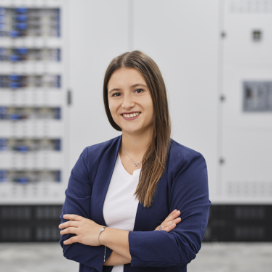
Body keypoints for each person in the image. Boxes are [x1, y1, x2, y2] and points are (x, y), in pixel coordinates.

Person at [58, 50, 211, 272]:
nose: (127, 103)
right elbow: (70, 242)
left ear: (156, 95)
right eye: (116, 94)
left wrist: (100, 234)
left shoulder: (187, 165)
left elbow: (182, 246)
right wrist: (151, 241)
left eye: (138, 90)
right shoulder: (91, 160)